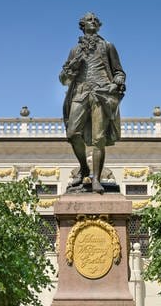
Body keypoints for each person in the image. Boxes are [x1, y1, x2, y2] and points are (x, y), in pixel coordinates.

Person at [60, 12, 126, 194]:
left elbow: (119, 71)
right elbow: (63, 79)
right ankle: (84, 169)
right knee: (72, 133)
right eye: (89, 19)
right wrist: (70, 70)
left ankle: (96, 178)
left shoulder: (107, 46)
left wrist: (117, 82)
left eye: (96, 20)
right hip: (80, 93)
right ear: (82, 25)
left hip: (101, 93)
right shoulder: (75, 51)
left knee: (99, 138)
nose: (94, 21)